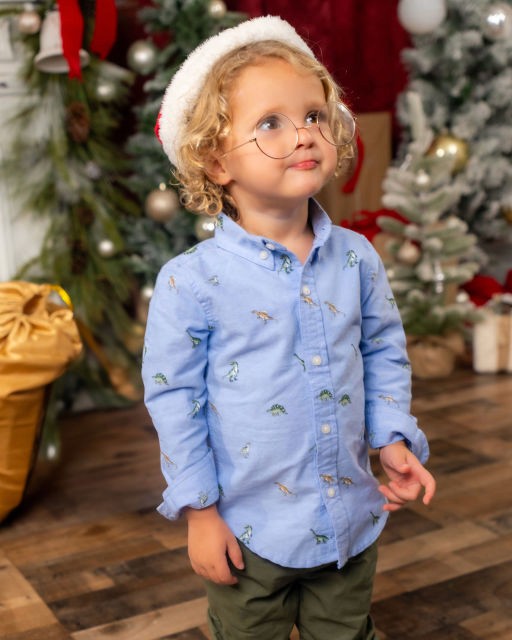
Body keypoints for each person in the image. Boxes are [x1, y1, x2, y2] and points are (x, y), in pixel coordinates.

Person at [142, 15, 436, 640]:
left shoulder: (357, 258)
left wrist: (392, 438)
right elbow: (175, 400)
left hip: (348, 521)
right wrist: (200, 513)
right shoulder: (190, 282)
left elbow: (383, 350)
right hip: (248, 533)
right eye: (270, 122)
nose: (303, 134)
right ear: (216, 160)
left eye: (313, 116)